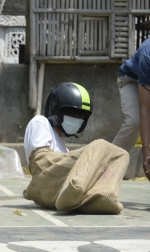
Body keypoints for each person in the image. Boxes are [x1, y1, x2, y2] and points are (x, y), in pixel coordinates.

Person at [23, 82, 129, 214]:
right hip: (46, 181)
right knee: (100, 145)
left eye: (81, 116)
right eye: (72, 113)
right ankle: (75, 190)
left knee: (121, 154)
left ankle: (99, 197)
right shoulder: (40, 121)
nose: (77, 119)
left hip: (58, 191)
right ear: (57, 109)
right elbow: (40, 163)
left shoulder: (63, 146)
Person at [111, 38, 150, 180]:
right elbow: (144, 109)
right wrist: (146, 151)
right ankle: (106, 167)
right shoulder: (148, 55)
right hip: (131, 80)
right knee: (135, 121)